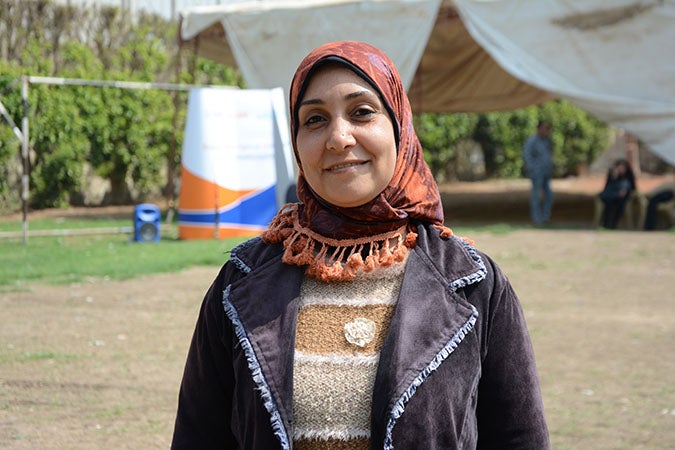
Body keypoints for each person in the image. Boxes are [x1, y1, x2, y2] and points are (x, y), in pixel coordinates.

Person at [171, 41, 550, 449]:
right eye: (314, 119)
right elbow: (198, 435)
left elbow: (518, 438)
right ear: (296, 142)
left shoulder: (475, 284)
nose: (338, 137)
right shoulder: (240, 282)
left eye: (362, 112)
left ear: (399, 128)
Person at [523, 121, 554, 225]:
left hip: (546, 172)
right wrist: (532, 169)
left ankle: (545, 218)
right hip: (537, 173)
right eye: (545, 129)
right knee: (536, 196)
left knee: (549, 196)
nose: (547, 131)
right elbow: (527, 157)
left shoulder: (546, 141)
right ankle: (537, 219)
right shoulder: (532, 141)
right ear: (539, 129)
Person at [598, 159, 636, 229]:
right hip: (610, 196)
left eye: (623, 168)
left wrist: (625, 190)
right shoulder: (612, 174)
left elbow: (633, 188)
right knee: (609, 203)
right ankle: (605, 224)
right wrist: (614, 176)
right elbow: (607, 187)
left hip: (622, 197)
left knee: (621, 204)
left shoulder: (628, 175)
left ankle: (613, 224)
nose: (621, 170)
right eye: (619, 168)